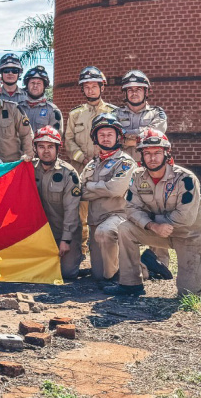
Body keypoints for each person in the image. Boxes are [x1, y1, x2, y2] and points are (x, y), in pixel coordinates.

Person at [105, 130, 201, 297]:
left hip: (190, 235)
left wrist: (157, 223)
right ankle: (130, 284)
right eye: (147, 153)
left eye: (157, 152)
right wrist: (153, 225)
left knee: (190, 293)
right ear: (141, 155)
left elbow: (186, 217)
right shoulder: (137, 176)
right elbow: (131, 208)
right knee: (125, 228)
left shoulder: (185, 178)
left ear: (166, 153)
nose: (152, 158)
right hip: (158, 230)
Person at [79, 114, 136, 283]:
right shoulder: (92, 164)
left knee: (105, 233)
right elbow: (81, 190)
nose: (105, 138)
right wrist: (103, 187)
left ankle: (118, 278)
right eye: (101, 135)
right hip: (95, 220)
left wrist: (92, 187)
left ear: (118, 137)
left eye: (110, 134)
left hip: (118, 216)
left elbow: (116, 189)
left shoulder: (125, 162)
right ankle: (137, 267)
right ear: (95, 138)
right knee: (98, 274)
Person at [64, 66, 115, 255]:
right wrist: (82, 158)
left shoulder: (113, 112)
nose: (90, 90)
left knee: (104, 208)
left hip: (106, 170)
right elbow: (68, 140)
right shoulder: (75, 114)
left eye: (94, 86)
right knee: (80, 211)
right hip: (80, 170)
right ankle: (82, 250)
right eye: (86, 87)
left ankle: (103, 248)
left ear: (102, 87)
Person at [31, 126, 83, 279]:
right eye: (41, 146)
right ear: (35, 148)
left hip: (64, 232)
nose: (46, 151)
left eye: (50, 147)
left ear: (57, 148)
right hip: (39, 234)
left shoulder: (69, 174)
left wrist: (66, 240)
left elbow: (71, 210)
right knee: (35, 272)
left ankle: (77, 253)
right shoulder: (28, 169)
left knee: (66, 274)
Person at [114, 70, 167, 160]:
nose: (134, 93)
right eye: (130, 90)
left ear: (146, 92)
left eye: (138, 89)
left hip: (147, 166)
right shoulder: (115, 114)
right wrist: (141, 136)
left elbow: (154, 136)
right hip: (121, 166)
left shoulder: (157, 113)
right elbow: (111, 137)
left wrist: (125, 139)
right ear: (125, 93)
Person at [18, 66, 63, 135]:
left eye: (39, 83)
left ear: (44, 86)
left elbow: (56, 138)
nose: (35, 86)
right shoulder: (18, 108)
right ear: (27, 85)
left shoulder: (53, 111)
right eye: (32, 83)